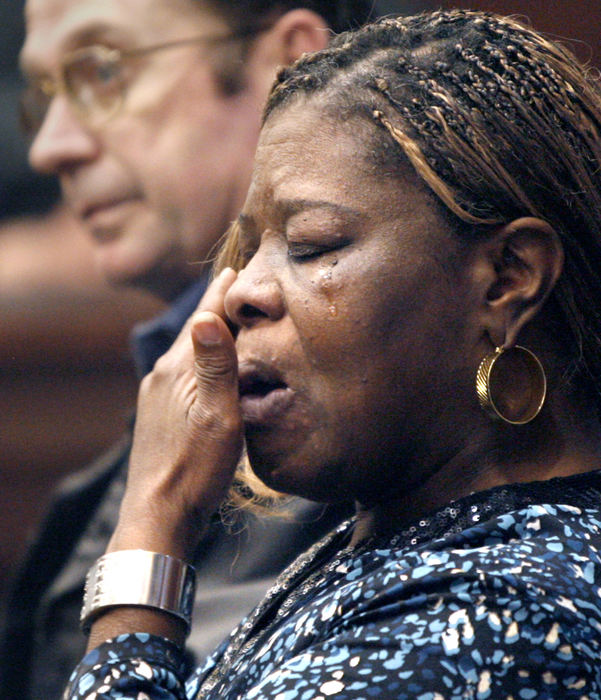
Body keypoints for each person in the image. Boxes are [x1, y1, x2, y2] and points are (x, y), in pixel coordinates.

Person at [61, 9, 601, 698]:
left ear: (506, 277)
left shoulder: (503, 609)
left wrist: (151, 528)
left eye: (312, 244)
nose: (241, 292)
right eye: (248, 246)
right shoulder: (407, 538)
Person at [0, 1, 374, 698]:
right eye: (46, 94)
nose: (51, 147)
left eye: (101, 70)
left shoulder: (370, 440)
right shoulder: (186, 373)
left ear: (287, 65)